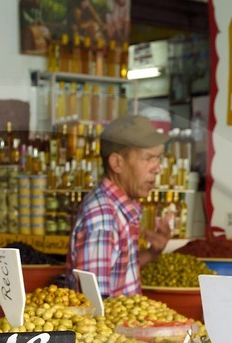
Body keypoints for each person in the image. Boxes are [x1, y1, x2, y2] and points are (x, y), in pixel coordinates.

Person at [68, 114, 173, 298]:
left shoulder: (119, 208)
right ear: (117, 163)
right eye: (148, 158)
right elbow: (93, 306)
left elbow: (117, 271)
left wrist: (153, 253)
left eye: (158, 158)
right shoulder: (103, 218)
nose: (157, 168)